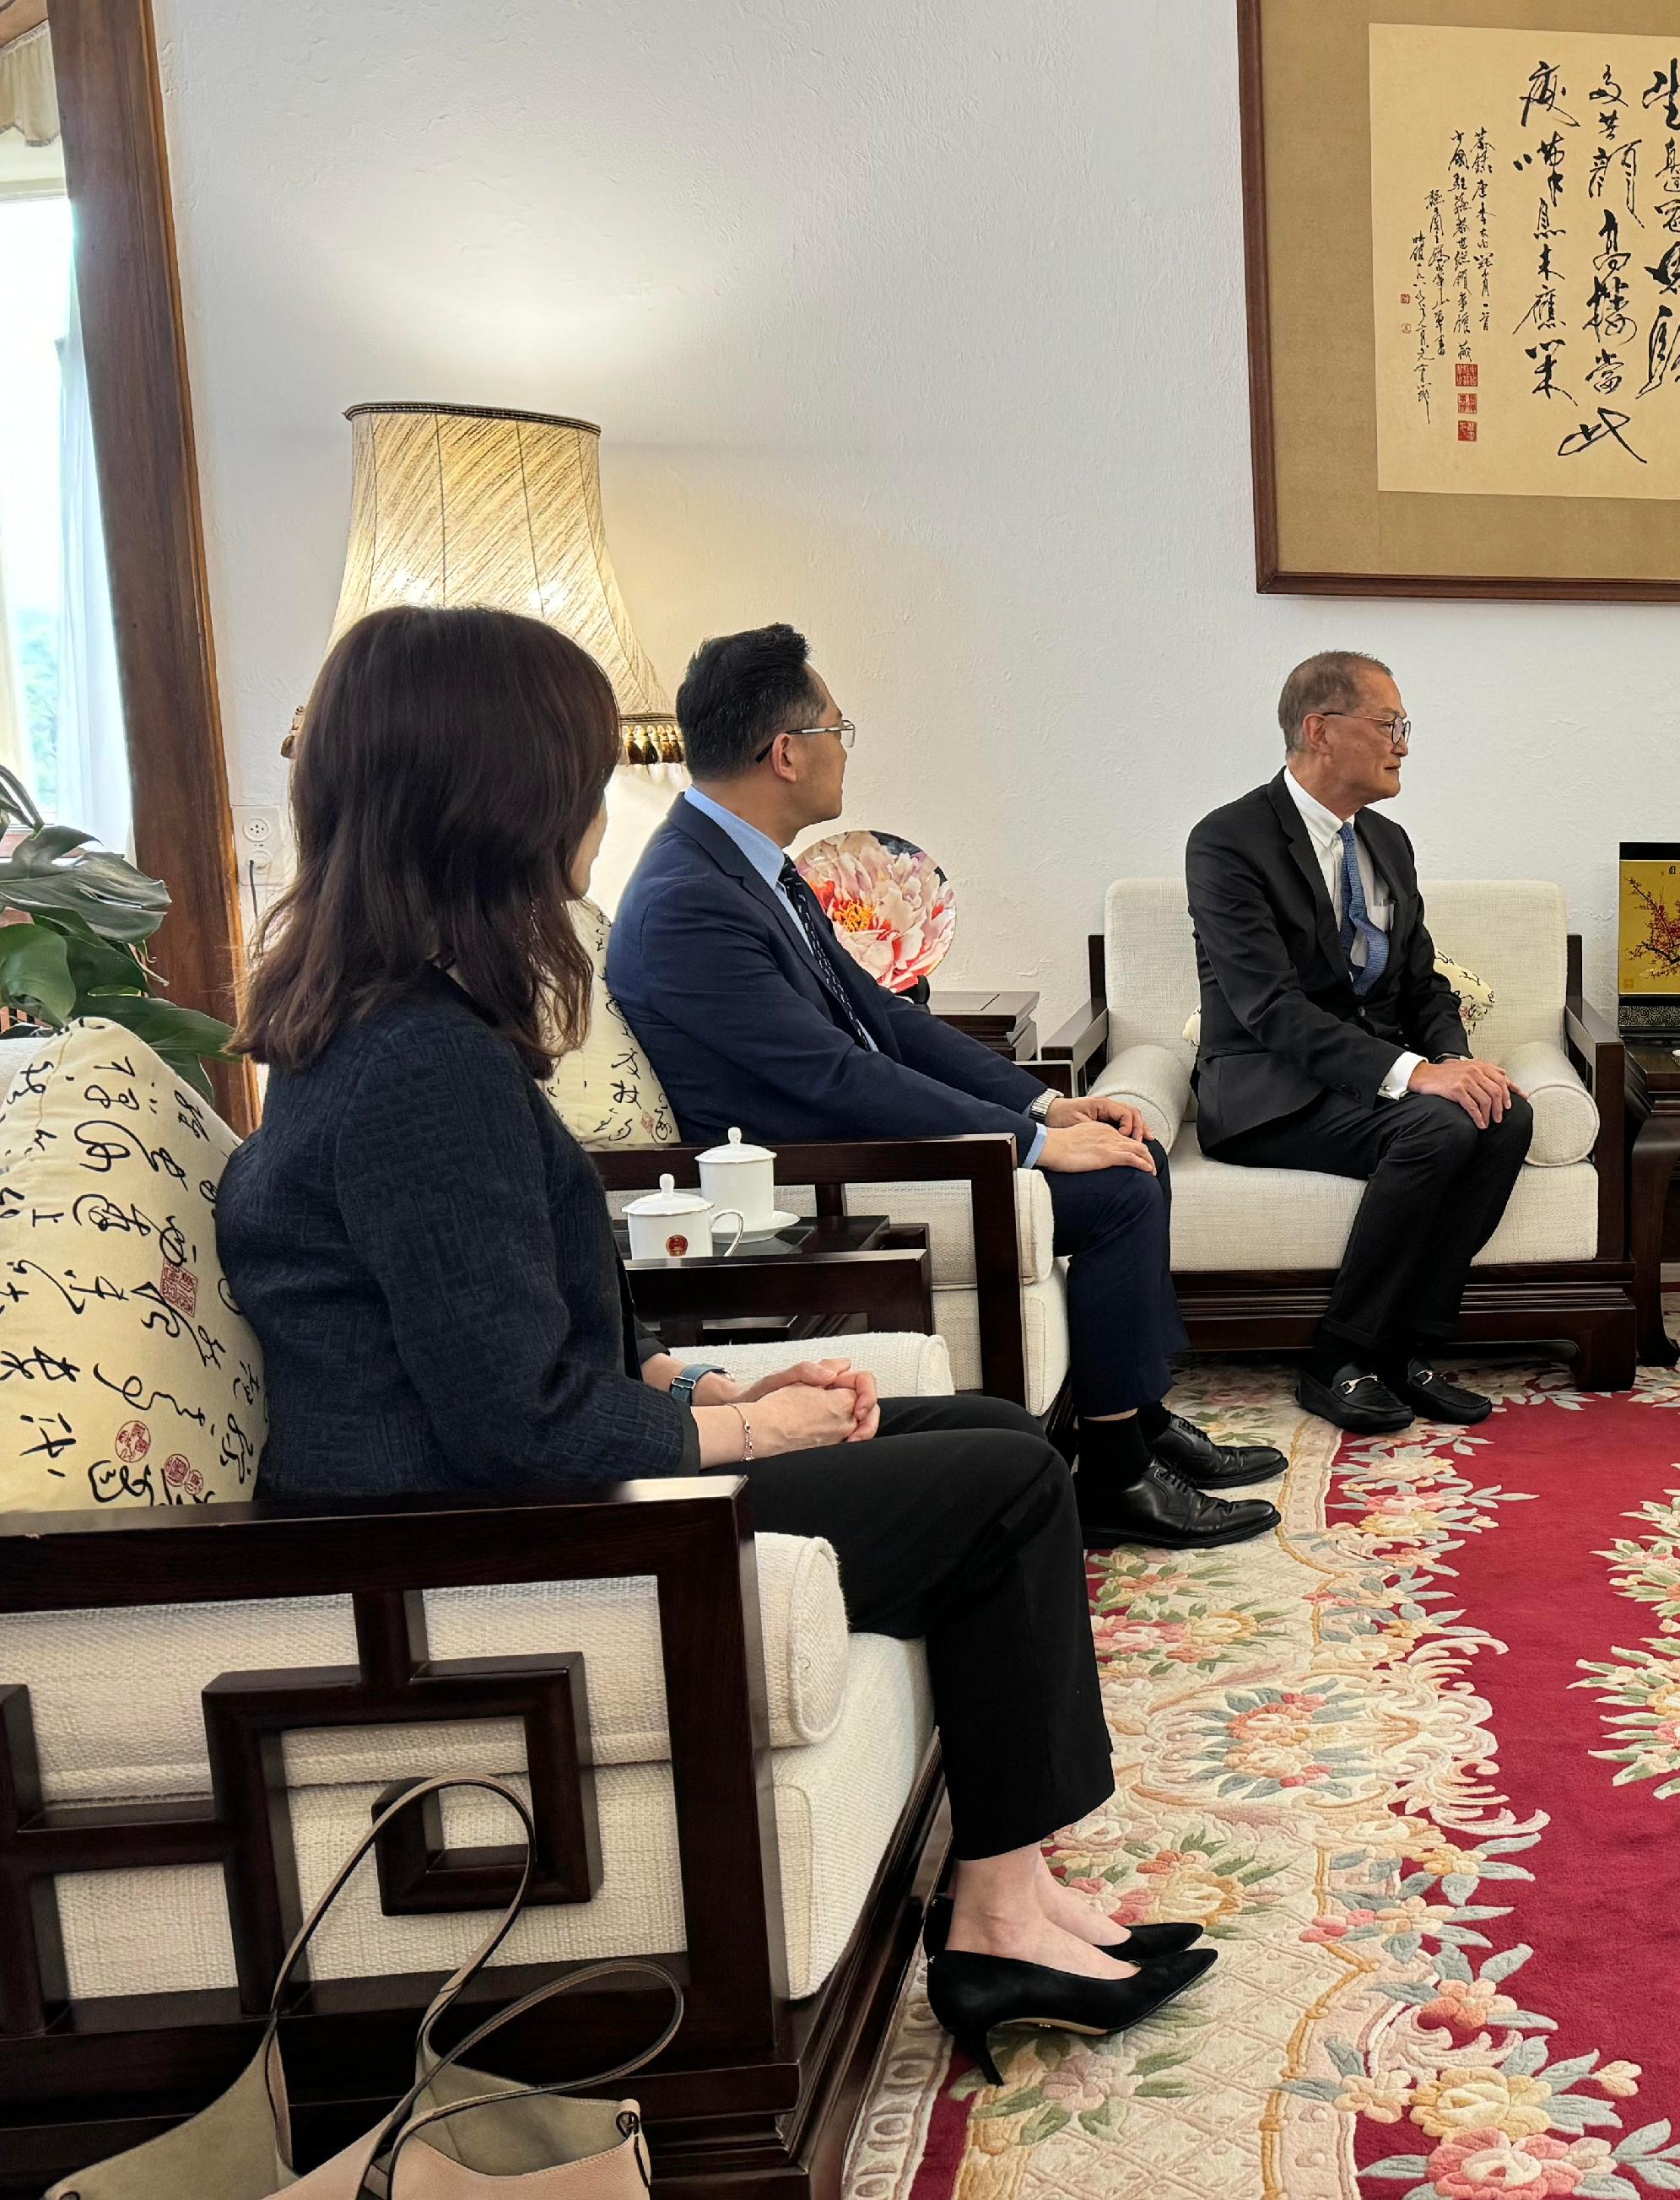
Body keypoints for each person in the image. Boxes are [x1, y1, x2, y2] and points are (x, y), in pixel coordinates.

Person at [218, 604, 1202, 2079]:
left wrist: (709, 1379)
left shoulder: (388, 1019)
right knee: (996, 1490)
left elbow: (481, 1327)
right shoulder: (419, 1065)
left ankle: (1015, 1877)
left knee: (995, 1443)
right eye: (574, 771)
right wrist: (742, 1432)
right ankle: (1001, 1914)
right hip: (484, 1532)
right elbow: (514, 1425)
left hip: (504, 1477)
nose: (592, 808)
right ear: (495, 796)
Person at [608, 626, 1280, 1553]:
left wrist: (1049, 1107)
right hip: (801, 1177)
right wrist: (1032, 1147)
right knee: (1119, 1189)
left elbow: (889, 1022)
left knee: (1128, 1145)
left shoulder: (746, 868)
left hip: (840, 1132)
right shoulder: (692, 896)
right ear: (786, 751)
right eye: (839, 726)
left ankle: (1136, 1420)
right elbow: (831, 1076)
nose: (847, 746)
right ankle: (1117, 1481)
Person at [1184, 651, 1533, 1435]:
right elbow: (1269, 1008)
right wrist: (1413, 1077)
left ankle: (1410, 1350)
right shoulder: (1228, 842)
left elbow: (1422, 984)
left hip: (1356, 1085)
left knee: (1504, 1111)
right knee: (1439, 1122)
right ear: (1320, 729)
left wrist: (1451, 1061)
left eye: (1404, 727)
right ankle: (1339, 1358)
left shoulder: (1388, 842)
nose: (1403, 743)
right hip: (1266, 1091)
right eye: (1388, 724)